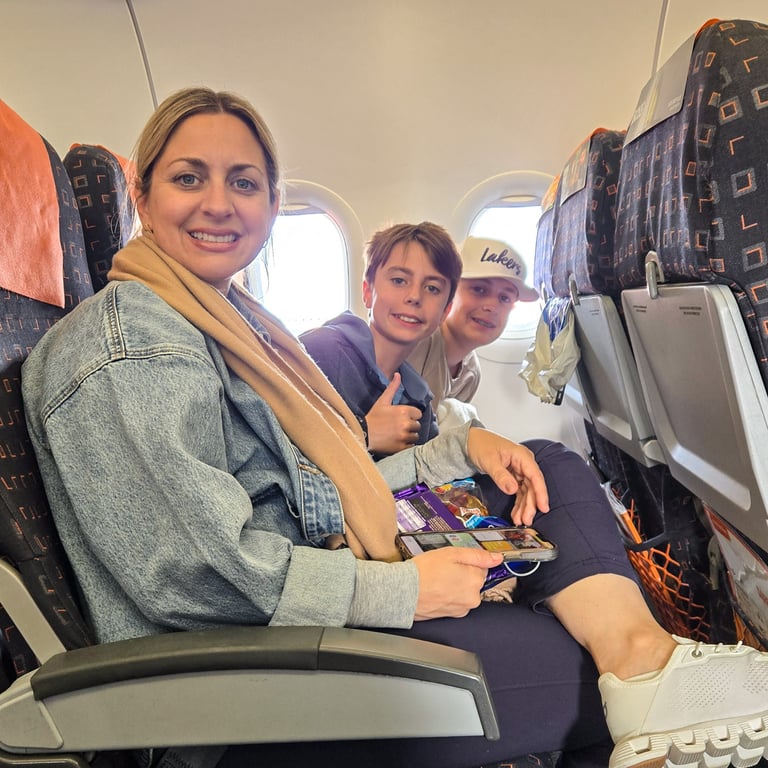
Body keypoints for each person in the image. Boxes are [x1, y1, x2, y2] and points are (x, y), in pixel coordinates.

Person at [20, 87, 768, 768]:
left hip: (292, 614)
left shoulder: (233, 324)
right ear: (143, 198)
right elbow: (197, 577)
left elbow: (318, 485)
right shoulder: (133, 342)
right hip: (233, 688)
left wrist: (461, 450)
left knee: (542, 464)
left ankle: (645, 661)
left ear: (272, 204)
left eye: (243, 182)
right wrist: (404, 591)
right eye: (189, 178)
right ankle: (640, 679)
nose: (219, 203)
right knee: (581, 668)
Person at [300, 222, 461, 457]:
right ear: (367, 291)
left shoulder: (420, 403)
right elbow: (278, 451)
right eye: (399, 280)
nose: (415, 296)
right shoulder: (318, 352)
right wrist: (364, 434)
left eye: (432, 288)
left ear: (445, 311)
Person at [408, 235, 539, 413]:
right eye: (479, 289)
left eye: (504, 298)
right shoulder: (417, 343)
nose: (492, 307)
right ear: (449, 292)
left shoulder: (471, 373)